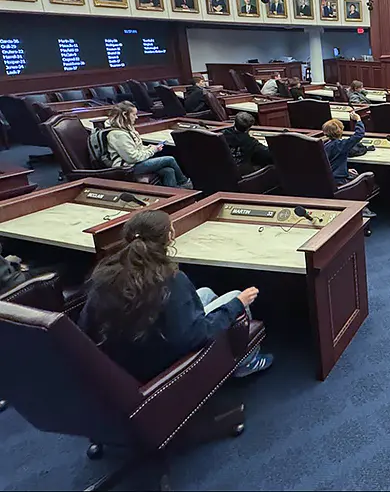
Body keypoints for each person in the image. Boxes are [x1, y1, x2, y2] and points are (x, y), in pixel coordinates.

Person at [78, 210, 272, 382]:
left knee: (204, 293)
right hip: (156, 366)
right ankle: (248, 361)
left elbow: (85, 327)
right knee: (236, 296)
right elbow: (196, 336)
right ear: (170, 236)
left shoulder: (106, 272)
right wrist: (237, 304)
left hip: (119, 361)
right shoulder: (170, 279)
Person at [103, 102, 192, 188]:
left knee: (169, 171)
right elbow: (132, 158)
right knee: (170, 159)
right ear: (125, 115)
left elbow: (137, 149)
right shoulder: (118, 134)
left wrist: (151, 147)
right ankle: (185, 183)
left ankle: (174, 195)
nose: (136, 117)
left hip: (135, 164)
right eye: (134, 115)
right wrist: (153, 150)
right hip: (127, 168)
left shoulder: (127, 129)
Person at [322, 113, 364, 185]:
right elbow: (359, 134)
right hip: (339, 181)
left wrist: (345, 170)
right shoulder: (342, 145)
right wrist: (358, 120)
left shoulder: (324, 145)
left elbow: (332, 164)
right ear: (341, 130)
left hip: (328, 180)